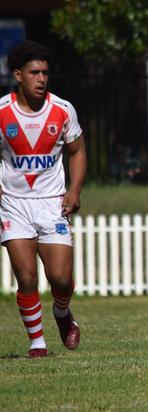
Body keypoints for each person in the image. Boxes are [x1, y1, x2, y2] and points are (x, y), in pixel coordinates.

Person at [0, 40, 87, 358]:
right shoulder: (2, 112)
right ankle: (37, 343)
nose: (41, 78)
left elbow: (77, 151)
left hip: (52, 202)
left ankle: (62, 313)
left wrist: (74, 189)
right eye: (34, 72)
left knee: (61, 280)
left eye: (45, 73)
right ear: (18, 75)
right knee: (26, 276)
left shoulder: (62, 110)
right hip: (13, 203)